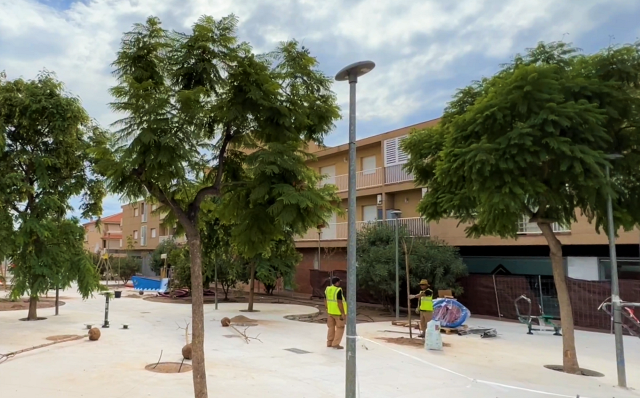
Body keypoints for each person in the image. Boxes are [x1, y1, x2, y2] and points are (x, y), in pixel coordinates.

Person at [324, 276, 346, 349]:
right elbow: (339, 302)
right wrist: (342, 313)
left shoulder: (327, 289)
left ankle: (329, 343)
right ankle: (336, 344)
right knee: (340, 328)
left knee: (331, 327)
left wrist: (327, 308)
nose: (340, 283)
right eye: (339, 282)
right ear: (337, 283)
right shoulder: (338, 290)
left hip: (330, 312)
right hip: (338, 313)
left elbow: (325, 300)